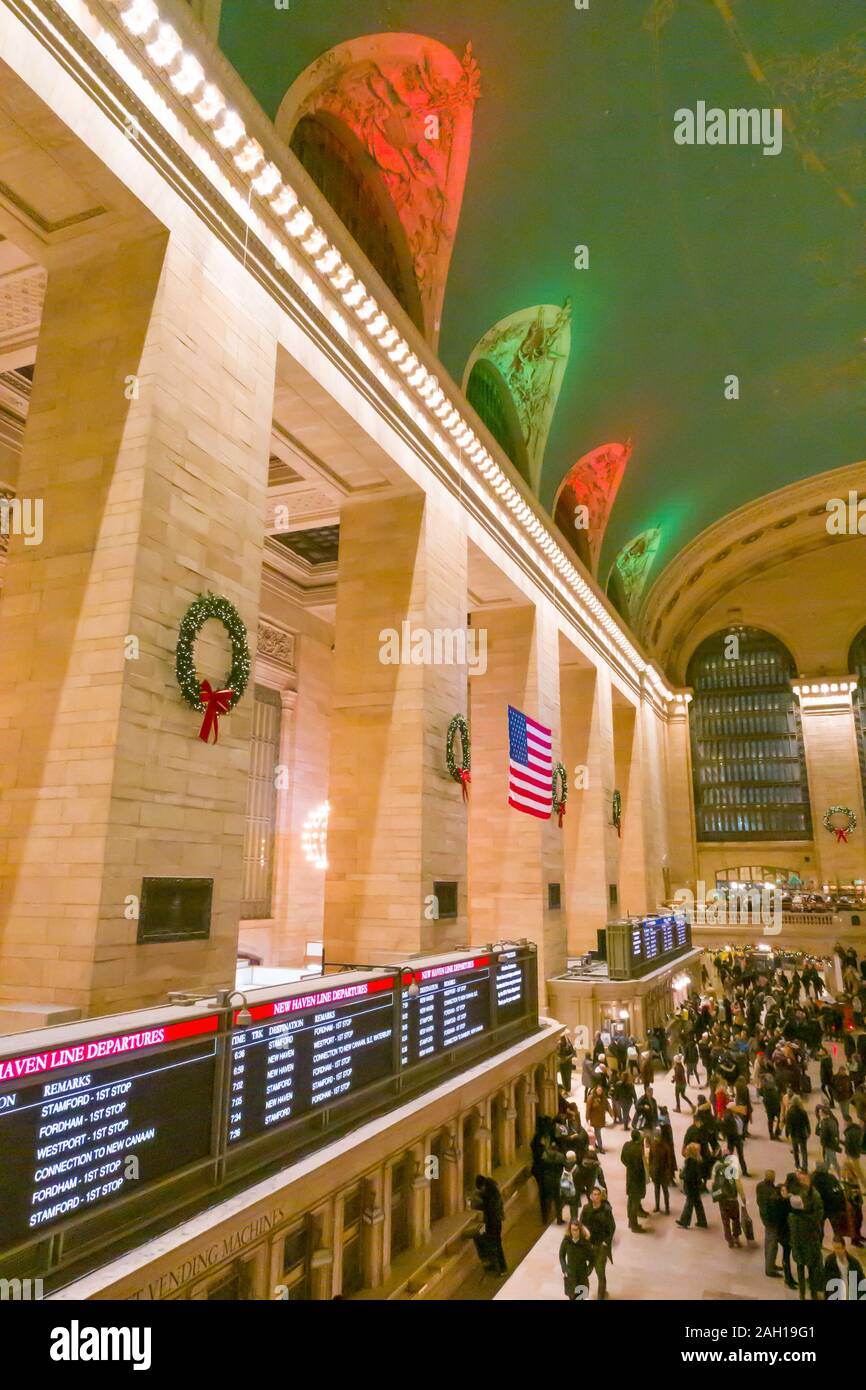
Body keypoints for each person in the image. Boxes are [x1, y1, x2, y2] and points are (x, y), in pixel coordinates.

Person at [783, 1170, 824, 1301]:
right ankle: (803, 1295)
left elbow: (818, 1216)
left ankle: (812, 1294)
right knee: (801, 1268)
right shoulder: (796, 1196)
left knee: (812, 1270)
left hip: (809, 1239)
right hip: (800, 1241)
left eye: (804, 1179)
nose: (802, 1182)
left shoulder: (814, 1195)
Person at [755, 1170, 796, 1288]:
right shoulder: (772, 1193)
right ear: (772, 1178)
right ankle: (769, 1268)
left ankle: (771, 1264)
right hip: (772, 1222)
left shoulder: (760, 1186)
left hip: (765, 1219)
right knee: (771, 1244)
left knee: (770, 1242)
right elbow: (775, 1208)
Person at [580, 1185, 616, 1300]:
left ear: (601, 1196)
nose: (596, 1197)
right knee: (586, 1271)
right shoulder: (586, 1209)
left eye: (598, 1194)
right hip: (589, 1245)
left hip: (601, 1246)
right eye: (594, 1195)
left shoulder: (606, 1210)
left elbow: (612, 1226)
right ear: (590, 1196)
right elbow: (581, 1224)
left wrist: (606, 1242)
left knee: (600, 1272)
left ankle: (601, 1295)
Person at [471, 1175, 507, 1275]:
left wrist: (479, 1205)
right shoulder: (491, 1190)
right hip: (494, 1221)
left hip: (494, 1222)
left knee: (495, 1244)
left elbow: (491, 1208)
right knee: (491, 1242)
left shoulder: (493, 1194)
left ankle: (502, 1267)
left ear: (483, 1185)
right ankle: (493, 1264)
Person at [710, 1153, 746, 1248]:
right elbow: (738, 1185)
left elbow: (713, 1183)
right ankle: (736, 1238)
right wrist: (743, 1197)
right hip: (732, 1199)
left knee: (725, 1221)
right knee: (735, 1219)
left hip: (722, 1200)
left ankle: (729, 1240)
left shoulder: (717, 1168)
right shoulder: (732, 1170)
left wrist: (715, 1195)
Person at [621, 1129, 648, 1233]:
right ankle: (634, 1225)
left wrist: (629, 1165)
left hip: (630, 1176)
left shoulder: (627, 1145)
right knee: (635, 1203)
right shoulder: (638, 1150)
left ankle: (630, 1221)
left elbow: (622, 1158)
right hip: (637, 1180)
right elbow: (640, 1167)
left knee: (631, 1199)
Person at [558, 1219, 593, 1301]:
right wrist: (565, 1269)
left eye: (576, 1230)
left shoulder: (585, 1243)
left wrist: (588, 1271)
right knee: (572, 1297)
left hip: (582, 1277)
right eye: (573, 1230)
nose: (575, 1232)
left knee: (582, 1297)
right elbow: (561, 1255)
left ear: (580, 1230)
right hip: (571, 1276)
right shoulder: (566, 1241)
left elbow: (592, 1259)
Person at [677, 1142, 709, 1230]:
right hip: (696, 1185)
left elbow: (688, 1175)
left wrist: (681, 1175)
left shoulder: (690, 1162)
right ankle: (702, 1221)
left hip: (691, 1186)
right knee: (697, 1203)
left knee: (689, 1203)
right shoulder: (697, 1160)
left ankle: (684, 1221)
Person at [649, 1125, 676, 1214]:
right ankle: (657, 1206)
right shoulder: (654, 1146)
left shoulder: (665, 1147)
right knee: (657, 1190)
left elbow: (669, 1162)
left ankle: (666, 1208)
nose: (656, 1139)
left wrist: (668, 1173)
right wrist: (651, 1170)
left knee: (664, 1191)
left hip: (663, 1173)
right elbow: (650, 1159)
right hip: (656, 1172)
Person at [785, 1092, 811, 1171]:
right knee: (804, 1151)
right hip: (802, 1133)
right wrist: (809, 1131)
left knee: (795, 1150)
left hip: (793, 1134)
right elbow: (807, 1123)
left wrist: (787, 1133)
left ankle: (797, 1164)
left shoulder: (789, 1112)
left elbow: (788, 1124)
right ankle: (805, 1167)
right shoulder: (803, 1111)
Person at [585, 1085, 614, 1153]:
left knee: (597, 1132)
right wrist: (587, 1117)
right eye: (598, 1090)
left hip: (601, 1118)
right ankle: (600, 1147)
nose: (600, 1092)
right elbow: (588, 1108)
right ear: (596, 1090)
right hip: (594, 1118)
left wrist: (611, 1113)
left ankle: (595, 1144)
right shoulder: (591, 1097)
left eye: (601, 1090)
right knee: (598, 1133)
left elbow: (607, 1105)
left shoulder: (603, 1097)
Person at [816, 1104, 842, 1175]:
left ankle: (840, 1175)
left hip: (829, 1144)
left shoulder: (828, 1122)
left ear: (824, 1113)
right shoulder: (826, 1121)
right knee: (828, 1160)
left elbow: (832, 1134)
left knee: (833, 1161)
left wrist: (835, 1145)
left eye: (820, 1113)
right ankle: (824, 1173)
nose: (819, 1114)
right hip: (828, 1144)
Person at [558, 1150, 581, 1225]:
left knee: (561, 1204)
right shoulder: (577, 1168)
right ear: (574, 1158)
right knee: (574, 1207)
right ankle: (573, 1222)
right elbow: (579, 1182)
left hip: (564, 1188)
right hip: (573, 1191)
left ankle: (559, 1219)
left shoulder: (563, 1166)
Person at [759, 1069, 782, 1140]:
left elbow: (760, 1093)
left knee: (770, 1120)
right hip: (776, 1104)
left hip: (768, 1105)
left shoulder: (763, 1085)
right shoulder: (774, 1082)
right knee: (780, 1119)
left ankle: (771, 1135)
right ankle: (777, 1133)